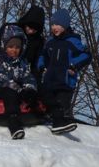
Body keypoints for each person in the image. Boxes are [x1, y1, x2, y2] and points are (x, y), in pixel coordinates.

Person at [0, 24, 41, 140]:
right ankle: (13, 122)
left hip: (16, 90)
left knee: (31, 95)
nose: (14, 50)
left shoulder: (23, 62)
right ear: (4, 46)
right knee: (10, 93)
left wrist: (29, 89)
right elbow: (1, 78)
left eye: (17, 47)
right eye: (11, 47)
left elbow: (28, 77)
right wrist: (19, 89)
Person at [35, 8, 90, 136]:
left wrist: (73, 66)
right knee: (48, 103)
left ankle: (63, 123)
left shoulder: (72, 41)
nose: (55, 27)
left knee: (62, 104)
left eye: (58, 25)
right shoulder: (50, 42)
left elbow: (85, 55)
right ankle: (50, 121)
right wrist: (42, 66)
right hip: (49, 80)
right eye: (53, 25)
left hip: (65, 81)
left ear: (65, 25)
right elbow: (42, 56)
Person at [0, 5, 44, 82]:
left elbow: (36, 66)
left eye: (34, 30)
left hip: (21, 76)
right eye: (30, 27)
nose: (31, 31)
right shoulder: (9, 30)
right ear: (26, 23)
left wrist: (34, 83)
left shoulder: (38, 41)